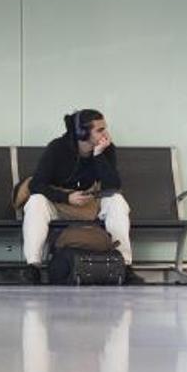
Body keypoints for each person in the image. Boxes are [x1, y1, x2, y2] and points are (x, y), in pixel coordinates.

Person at [21, 109, 143, 285]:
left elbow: (112, 185)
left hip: (88, 205)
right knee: (35, 202)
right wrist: (66, 198)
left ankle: (124, 265)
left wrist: (99, 155)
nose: (106, 134)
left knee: (117, 201)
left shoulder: (106, 149)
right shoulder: (58, 148)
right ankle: (32, 267)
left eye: (105, 128)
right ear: (83, 133)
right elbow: (36, 184)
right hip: (59, 203)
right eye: (100, 130)